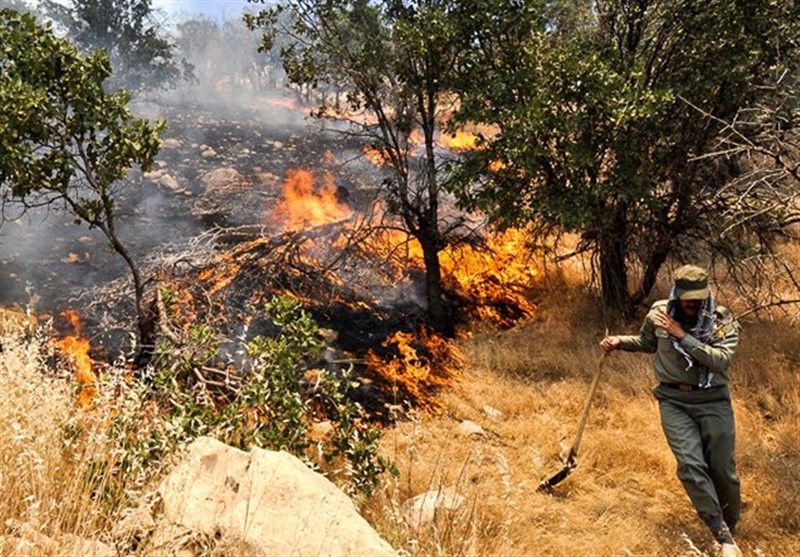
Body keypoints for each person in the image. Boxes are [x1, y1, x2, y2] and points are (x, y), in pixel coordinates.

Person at [600, 265, 742, 557]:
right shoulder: (658, 314)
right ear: (677, 293)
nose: (693, 303)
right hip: (673, 401)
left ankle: (731, 522)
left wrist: (682, 336)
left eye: (699, 298)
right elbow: (648, 342)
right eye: (688, 297)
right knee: (691, 465)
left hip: (713, 400)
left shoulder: (721, 320)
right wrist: (619, 341)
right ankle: (721, 533)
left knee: (722, 470)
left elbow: (721, 361)